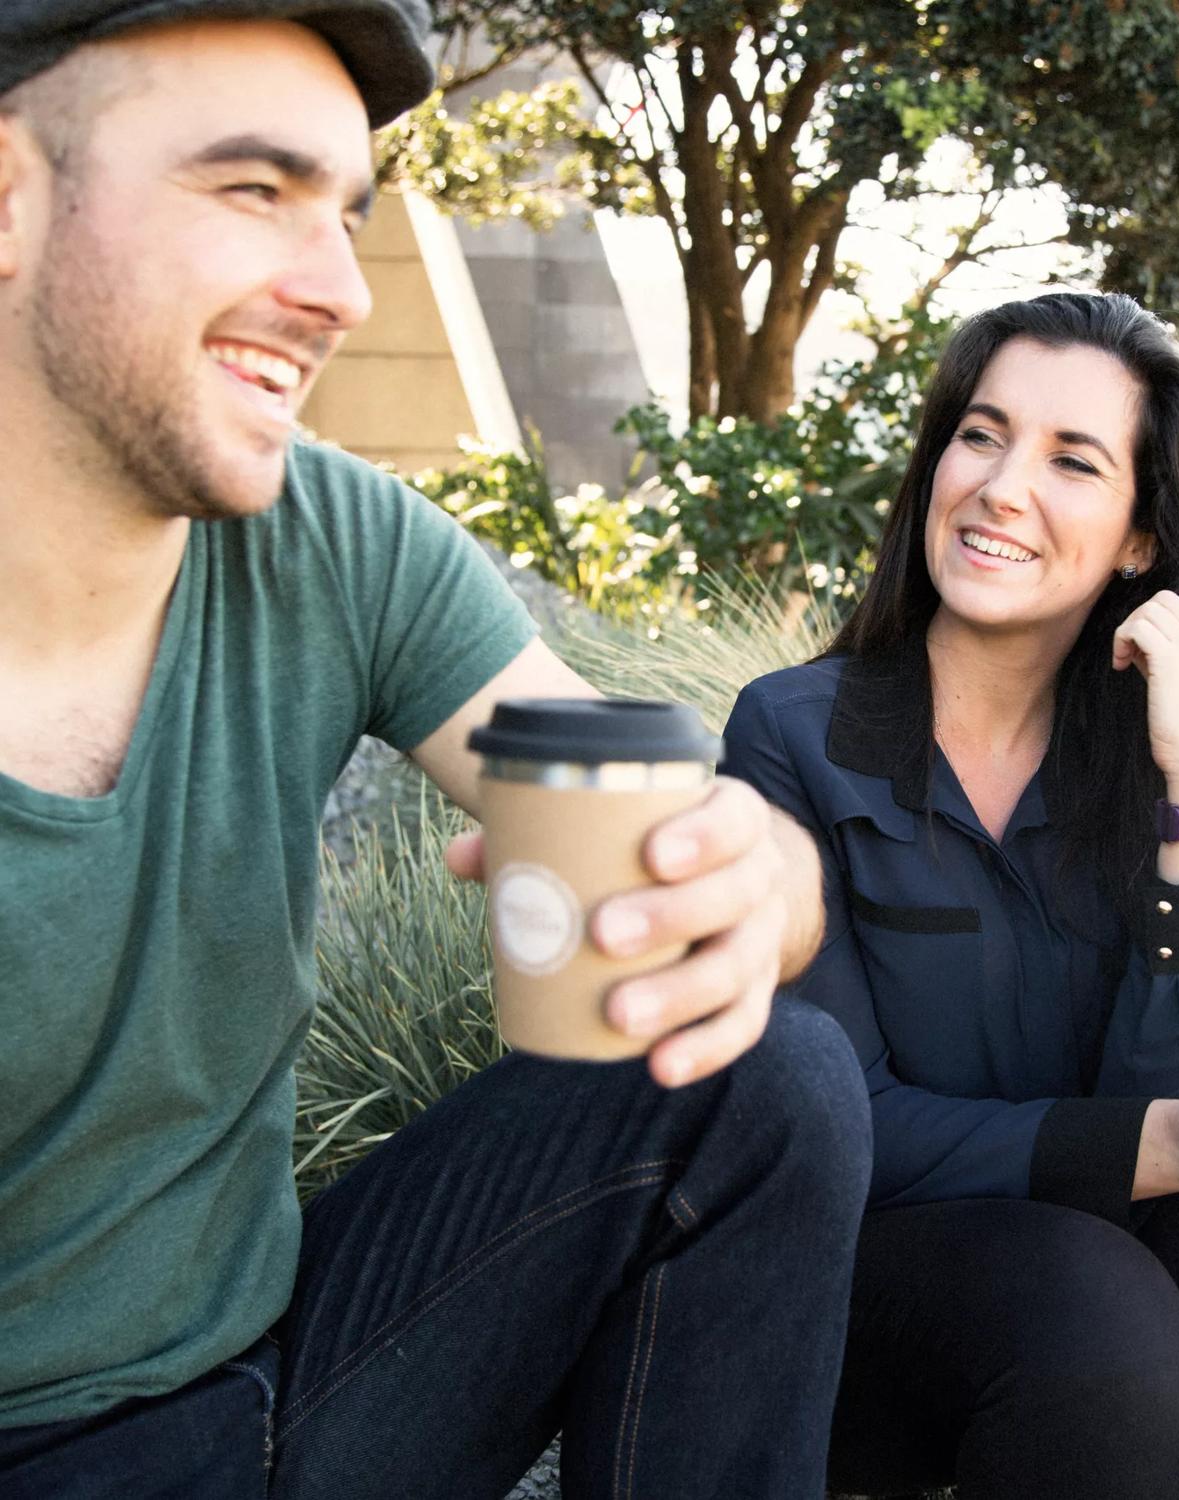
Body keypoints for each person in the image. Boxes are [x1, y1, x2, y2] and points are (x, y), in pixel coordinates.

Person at [0, 5, 872, 1497]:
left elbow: (652, 803)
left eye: (347, 212)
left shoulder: (327, 539)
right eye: (254, 191)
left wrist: (759, 877)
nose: (339, 288)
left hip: (269, 1381)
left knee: (760, 1079)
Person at [722, 292, 1179, 1499]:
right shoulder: (790, 736)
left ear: (1139, 538)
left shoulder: (1151, 752)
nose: (1001, 486)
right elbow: (837, 1126)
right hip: (851, 1296)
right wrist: (1174, 1144)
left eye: (1071, 460)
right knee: (1095, 1314)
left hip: (1091, 1261)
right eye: (981, 435)